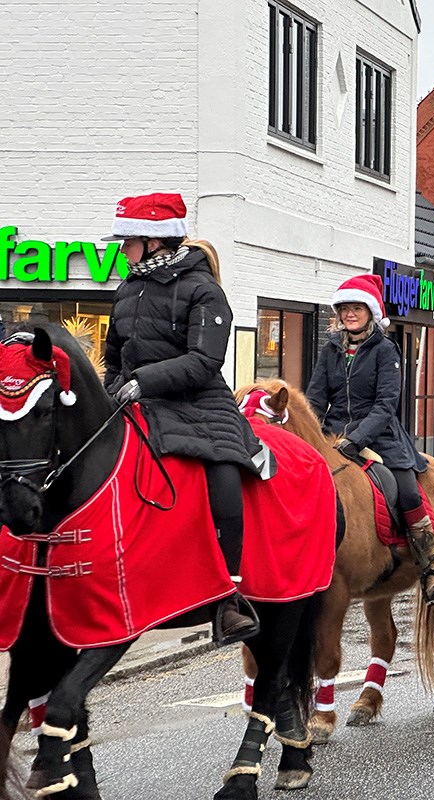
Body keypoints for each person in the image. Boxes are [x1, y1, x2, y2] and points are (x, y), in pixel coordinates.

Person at [101, 192, 260, 645]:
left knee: (222, 471)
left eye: (127, 242)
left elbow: (204, 361)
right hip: (139, 398)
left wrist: (144, 381)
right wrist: (111, 392)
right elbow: (114, 356)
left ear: (153, 241)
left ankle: (229, 595)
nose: (122, 250)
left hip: (199, 403)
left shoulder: (204, 290)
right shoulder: (127, 289)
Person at [306, 275, 434, 606]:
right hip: (333, 435)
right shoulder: (330, 350)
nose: (350, 314)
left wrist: (356, 440)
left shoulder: (386, 350)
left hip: (381, 437)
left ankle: (429, 569)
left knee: (407, 491)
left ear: (370, 312)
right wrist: (312, 435)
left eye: (357, 308)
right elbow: (315, 398)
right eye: (345, 309)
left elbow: (386, 405)